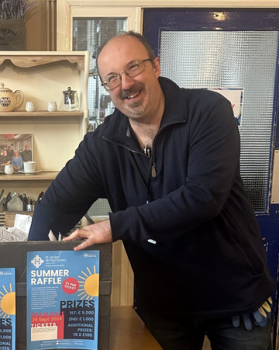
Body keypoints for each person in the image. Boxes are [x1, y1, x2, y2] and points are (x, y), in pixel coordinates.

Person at [28, 31, 276, 350]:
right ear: (105, 88)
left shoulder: (208, 112)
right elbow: (56, 205)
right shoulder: (101, 145)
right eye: (112, 78)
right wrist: (27, 273)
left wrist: (116, 225)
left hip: (235, 302)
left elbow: (202, 197)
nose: (126, 84)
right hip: (163, 308)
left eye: (133, 67)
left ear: (156, 66)